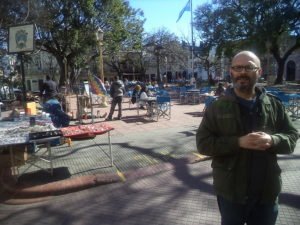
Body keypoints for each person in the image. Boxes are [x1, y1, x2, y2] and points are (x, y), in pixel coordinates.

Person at [196, 50, 298, 225]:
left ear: (259, 71)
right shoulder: (217, 107)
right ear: (231, 72)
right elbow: (203, 144)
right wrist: (237, 142)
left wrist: (273, 140)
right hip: (231, 194)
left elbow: (292, 136)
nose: (242, 72)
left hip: (266, 193)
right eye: (238, 67)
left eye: (249, 67)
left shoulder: (274, 105)